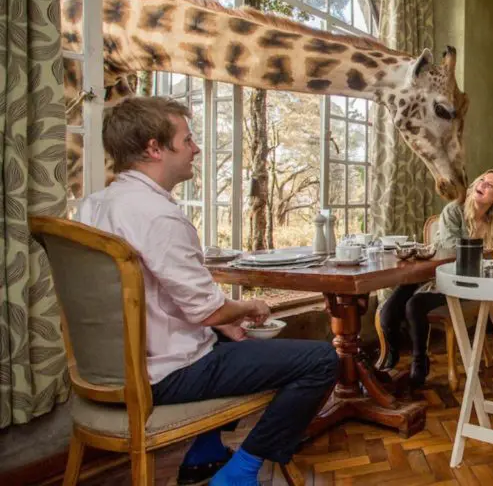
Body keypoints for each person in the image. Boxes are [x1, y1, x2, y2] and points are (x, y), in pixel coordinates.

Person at [76, 96, 338, 486]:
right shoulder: (158, 215)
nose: (196, 148)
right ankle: (240, 472)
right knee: (321, 360)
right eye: (188, 140)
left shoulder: (91, 207)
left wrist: (224, 323)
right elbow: (208, 311)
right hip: (164, 374)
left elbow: (156, 302)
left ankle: (205, 452)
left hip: (111, 368)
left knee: (228, 335)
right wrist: (249, 306)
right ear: (154, 148)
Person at [377, 169, 493, 388]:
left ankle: (420, 362)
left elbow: (492, 259)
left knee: (414, 305)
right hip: (429, 271)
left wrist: (484, 255)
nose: (482, 184)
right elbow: (449, 249)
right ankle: (391, 356)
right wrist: (481, 252)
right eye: (482, 179)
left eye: (490, 185)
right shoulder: (454, 211)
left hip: (462, 282)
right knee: (389, 311)